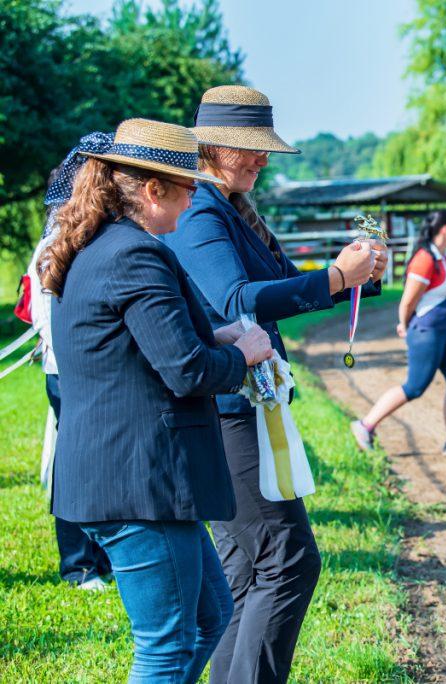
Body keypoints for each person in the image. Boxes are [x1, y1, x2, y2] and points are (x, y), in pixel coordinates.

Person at [163, 85, 387, 684]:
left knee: (245, 576)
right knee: (288, 562)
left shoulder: (233, 211)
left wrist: (359, 276)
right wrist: (335, 276)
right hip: (225, 410)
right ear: (215, 147)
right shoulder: (201, 213)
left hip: (238, 407)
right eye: (253, 148)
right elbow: (236, 300)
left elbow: (286, 283)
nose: (264, 159)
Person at [42, 119, 273, 682]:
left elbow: (143, 344)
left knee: (211, 615)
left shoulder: (104, 245)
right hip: (139, 484)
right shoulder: (136, 255)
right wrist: (242, 355)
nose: (194, 200)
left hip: (132, 479)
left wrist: (216, 335)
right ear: (152, 190)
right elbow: (187, 371)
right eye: (188, 188)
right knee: (166, 647)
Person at [26, 214, 112, 590]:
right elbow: (44, 315)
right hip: (66, 372)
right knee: (75, 467)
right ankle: (78, 563)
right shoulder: (53, 246)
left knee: (104, 465)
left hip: (95, 373)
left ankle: (104, 555)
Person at [351, 209, 446, 454]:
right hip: (426, 331)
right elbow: (408, 301)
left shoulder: (442, 257)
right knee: (414, 387)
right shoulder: (425, 259)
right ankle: (365, 425)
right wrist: (404, 324)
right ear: (445, 229)